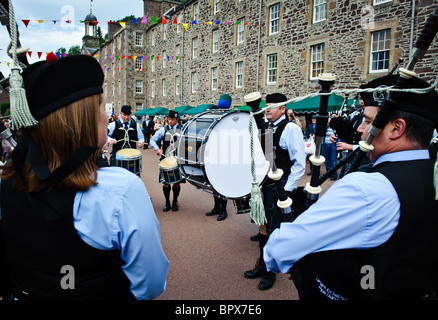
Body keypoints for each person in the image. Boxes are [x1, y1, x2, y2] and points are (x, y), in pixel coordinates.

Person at [0, 54, 169, 300]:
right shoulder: (121, 191)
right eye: (102, 106)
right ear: (86, 118)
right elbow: (151, 284)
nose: (105, 114)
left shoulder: (5, 185)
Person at [264, 74, 438, 300]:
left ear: (396, 128)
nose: (360, 130)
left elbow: (282, 248)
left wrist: (302, 259)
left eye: (367, 121)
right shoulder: (430, 170)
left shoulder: (366, 189)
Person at [244, 93, 306, 290]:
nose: (268, 109)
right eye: (266, 105)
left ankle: (271, 273)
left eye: (273, 106)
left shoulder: (291, 129)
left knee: (274, 232)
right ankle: (262, 265)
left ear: (283, 109)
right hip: (265, 184)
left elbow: (299, 163)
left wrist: (286, 191)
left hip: (281, 187)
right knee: (263, 228)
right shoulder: (263, 126)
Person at [205, 94, 233, 221]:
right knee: (213, 183)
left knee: (223, 184)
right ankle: (216, 207)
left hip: (226, 156)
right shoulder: (214, 116)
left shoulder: (232, 118)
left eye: (223, 109)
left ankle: (223, 210)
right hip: (214, 155)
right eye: (220, 109)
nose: (221, 111)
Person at [150, 110, 184, 212]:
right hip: (165, 159)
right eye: (169, 119)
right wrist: (157, 149)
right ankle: (167, 202)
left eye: (173, 119)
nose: (170, 121)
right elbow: (153, 139)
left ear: (177, 120)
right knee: (165, 183)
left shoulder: (182, 130)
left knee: (177, 182)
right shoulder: (163, 130)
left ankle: (174, 201)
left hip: (177, 160)